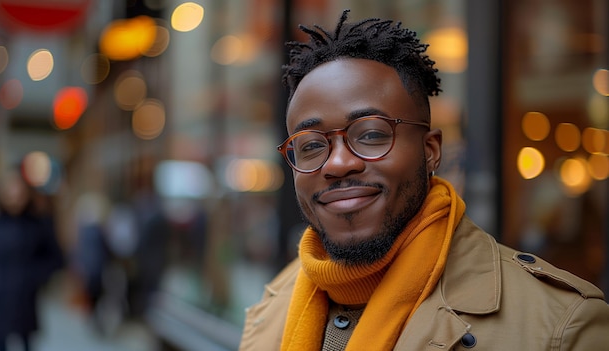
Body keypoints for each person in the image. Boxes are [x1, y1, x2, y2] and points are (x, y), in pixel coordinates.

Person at [239, 10, 609, 351]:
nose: (337, 163)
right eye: (312, 145)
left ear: (430, 151)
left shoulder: (561, 328)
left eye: (370, 134)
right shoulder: (270, 308)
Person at [0, 170, 64, 351]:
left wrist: (33, 277)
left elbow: (55, 258)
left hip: (25, 296)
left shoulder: (36, 224)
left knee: (26, 340)